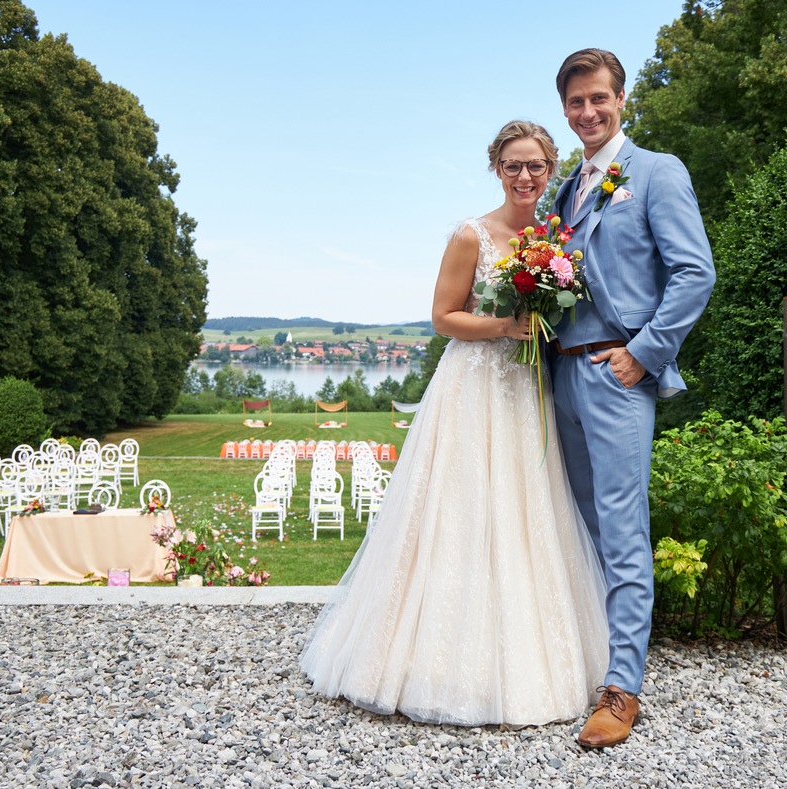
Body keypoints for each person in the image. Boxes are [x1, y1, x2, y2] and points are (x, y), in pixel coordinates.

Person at [300, 120, 608, 727]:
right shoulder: (472, 235)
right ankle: (429, 661)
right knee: (460, 509)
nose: (525, 177)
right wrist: (504, 327)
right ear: (497, 168)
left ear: (551, 171)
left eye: (537, 167)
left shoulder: (556, 237)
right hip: (473, 385)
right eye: (514, 165)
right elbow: (442, 317)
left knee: (526, 508)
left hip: (527, 390)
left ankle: (530, 658)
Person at [550, 48, 716, 748]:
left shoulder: (655, 172)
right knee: (575, 525)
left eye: (599, 99)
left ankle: (622, 691)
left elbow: (694, 272)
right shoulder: (565, 189)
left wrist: (643, 352)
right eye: (576, 102)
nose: (588, 111)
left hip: (617, 376)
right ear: (565, 109)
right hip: (559, 377)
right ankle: (580, 659)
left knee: (621, 532)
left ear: (622, 100)